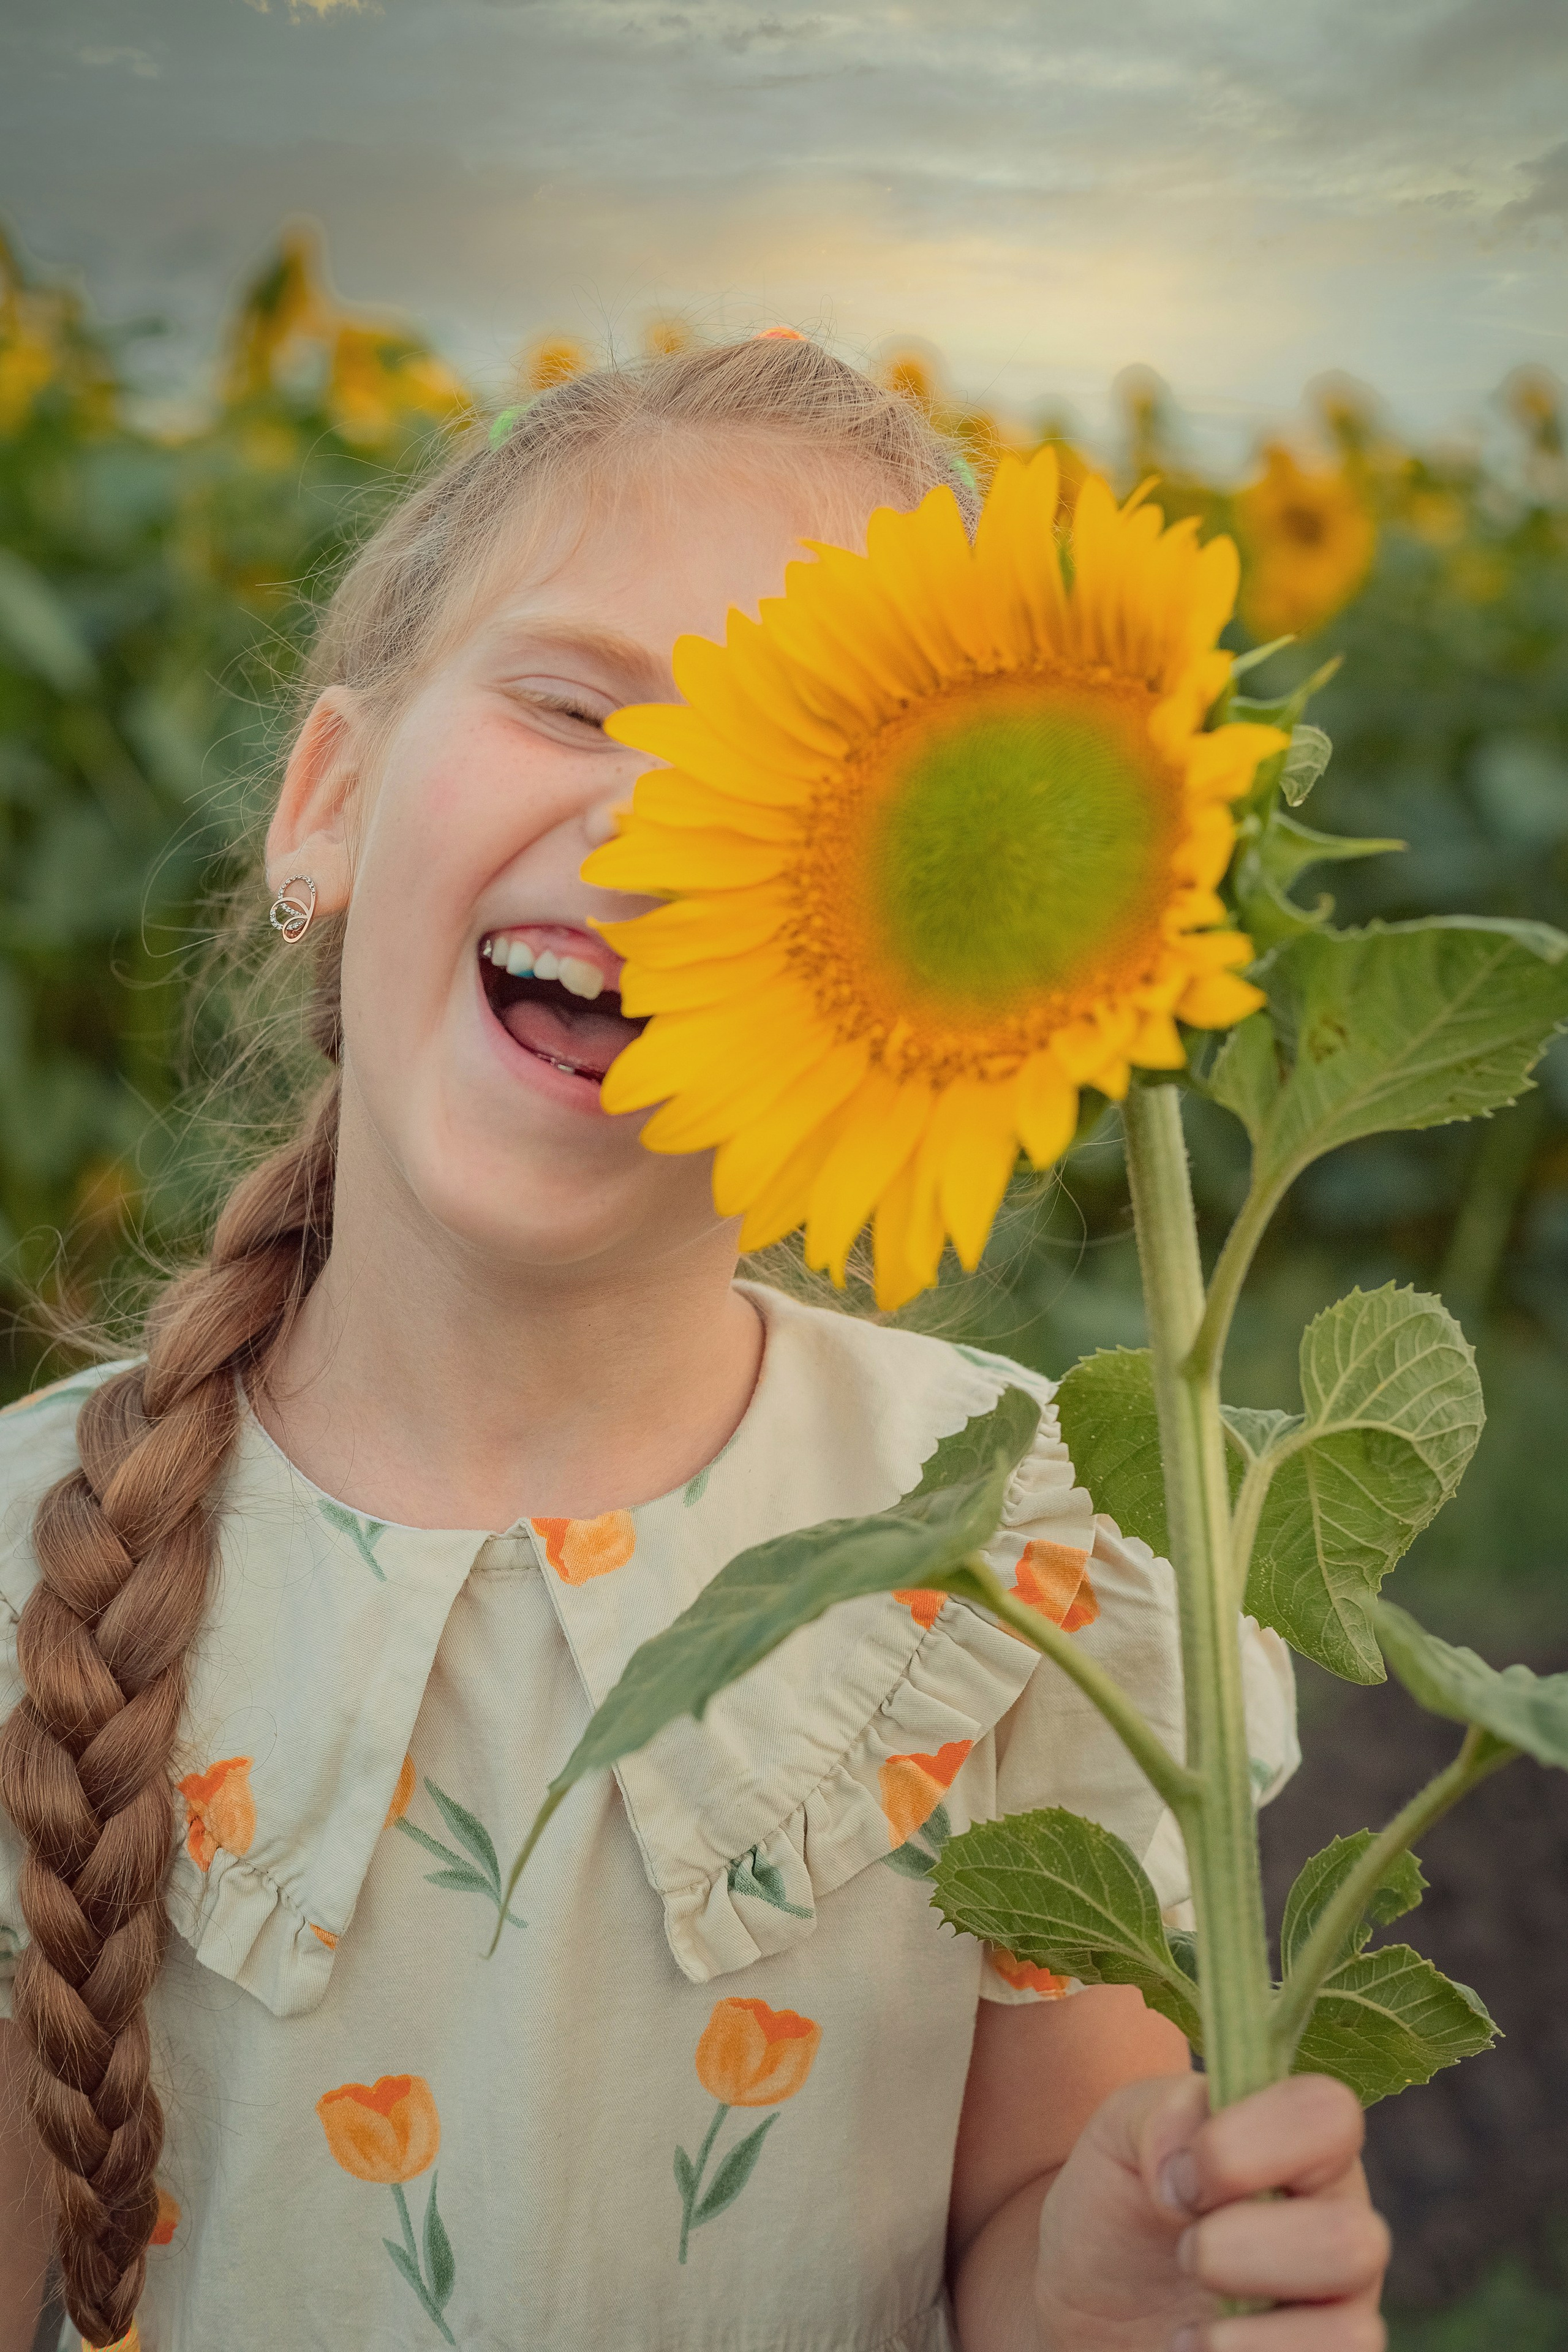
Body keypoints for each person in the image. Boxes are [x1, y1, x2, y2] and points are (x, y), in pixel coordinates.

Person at [0, 337, 1389, 2352]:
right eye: (575, 702)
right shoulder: (36, 1563)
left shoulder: (1019, 1563)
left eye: (800, 798)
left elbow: (1022, 2229)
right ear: (328, 805)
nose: (669, 836)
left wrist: (1114, 2274)